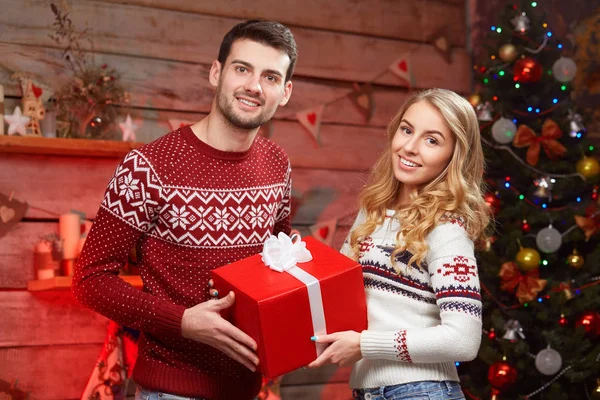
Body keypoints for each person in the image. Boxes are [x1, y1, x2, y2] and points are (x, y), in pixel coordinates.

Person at [72, 19, 298, 400]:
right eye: (242, 69)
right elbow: (89, 280)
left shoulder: (278, 163)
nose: (254, 87)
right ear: (216, 72)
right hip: (171, 390)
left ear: (286, 91)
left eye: (270, 77)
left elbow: (276, 264)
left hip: (249, 389)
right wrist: (182, 321)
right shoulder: (149, 165)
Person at [306, 88, 491, 400]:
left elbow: (464, 340)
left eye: (432, 140)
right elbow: (335, 290)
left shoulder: (446, 229)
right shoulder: (374, 211)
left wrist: (365, 344)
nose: (410, 147)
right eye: (407, 130)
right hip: (369, 391)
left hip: (424, 391)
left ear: (454, 156)